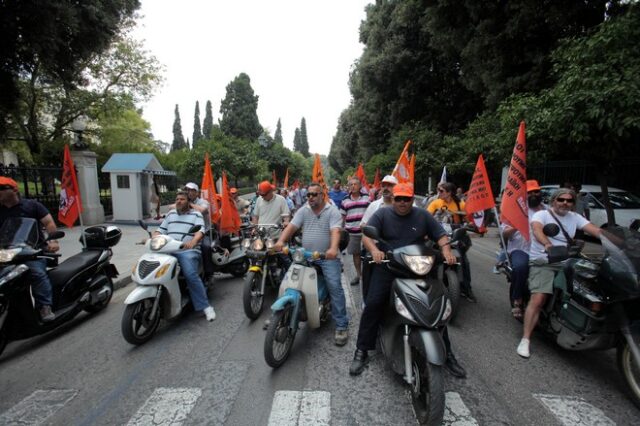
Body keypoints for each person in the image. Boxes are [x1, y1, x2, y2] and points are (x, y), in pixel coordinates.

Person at [349, 183, 466, 378]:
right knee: (374, 303)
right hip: (389, 266)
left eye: (407, 199)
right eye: (399, 199)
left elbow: (441, 235)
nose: (403, 202)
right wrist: (375, 251)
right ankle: (362, 350)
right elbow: (367, 236)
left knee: (435, 306)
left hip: (417, 268)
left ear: (413, 199)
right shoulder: (383, 214)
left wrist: (446, 252)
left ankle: (448, 355)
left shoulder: (422, 215)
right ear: (393, 199)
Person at [516, 188, 601, 358]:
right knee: (538, 298)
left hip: (567, 261)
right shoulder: (542, 215)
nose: (565, 203)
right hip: (544, 261)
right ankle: (525, 339)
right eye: (561, 199)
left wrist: (620, 242)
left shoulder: (575, 217)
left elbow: (597, 231)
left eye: (569, 201)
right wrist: (547, 245)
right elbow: (537, 229)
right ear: (554, 201)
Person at [274, 182, 350, 346]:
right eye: (308, 194)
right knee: (288, 279)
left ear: (322, 195)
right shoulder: (304, 210)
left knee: (334, 286)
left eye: (315, 194)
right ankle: (280, 315)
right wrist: (280, 241)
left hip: (326, 257)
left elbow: (335, 231)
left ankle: (342, 325)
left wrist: (332, 249)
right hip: (306, 256)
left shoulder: (332, 211)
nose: (311, 197)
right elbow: (292, 226)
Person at [0, 177, 59, 321]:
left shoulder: (32, 206)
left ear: (14, 190)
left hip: (31, 252)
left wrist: (53, 241)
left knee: (37, 273)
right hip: (5, 253)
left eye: (1, 189)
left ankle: (44, 307)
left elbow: (49, 223)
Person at [155, 189, 216, 321]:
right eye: (177, 199)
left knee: (190, 274)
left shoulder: (196, 215)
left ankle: (205, 306)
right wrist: (153, 238)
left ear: (188, 202)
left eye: (182, 199)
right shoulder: (170, 214)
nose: (178, 201)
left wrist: (193, 241)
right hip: (168, 249)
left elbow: (200, 231)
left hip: (186, 250)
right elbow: (160, 230)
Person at [500, 179, 545, 320]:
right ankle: (517, 300)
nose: (534, 195)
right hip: (521, 249)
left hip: (543, 250)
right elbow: (504, 233)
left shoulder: (547, 210)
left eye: (536, 191)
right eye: (530, 192)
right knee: (521, 267)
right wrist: (518, 225)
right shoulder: (514, 211)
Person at [427, 182, 476, 302]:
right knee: (428, 256)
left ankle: (466, 288)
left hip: (455, 237)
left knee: (464, 261)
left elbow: (470, 220)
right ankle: (427, 283)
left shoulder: (461, 205)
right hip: (437, 236)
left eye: (442, 191)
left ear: (449, 192)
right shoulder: (435, 203)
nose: (439, 193)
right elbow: (426, 216)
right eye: (439, 190)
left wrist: (471, 224)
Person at [359, 175, 397, 301]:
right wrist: (374, 249)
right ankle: (367, 300)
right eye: (384, 185)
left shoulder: (408, 205)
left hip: (402, 250)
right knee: (368, 265)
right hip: (377, 250)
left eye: (390, 185)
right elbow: (364, 226)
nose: (386, 188)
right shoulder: (374, 206)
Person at [340, 178, 370, 286]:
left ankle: (369, 275)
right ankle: (359, 275)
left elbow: (371, 213)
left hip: (366, 233)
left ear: (360, 186)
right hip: (352, 232)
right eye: (350, 184)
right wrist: (341, 230)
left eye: (355, 184)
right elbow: (342, 216)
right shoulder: (345, 200)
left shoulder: (367, 198)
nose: (353, 186)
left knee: (368, 255)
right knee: (356, 255)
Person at [184, 182, 215, 282]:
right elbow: (172, 207)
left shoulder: (203, 202)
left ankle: (209, 274)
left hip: (203, 232)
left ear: (197, 193)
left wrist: (190, 205)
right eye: (187, 190)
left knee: (206, 247)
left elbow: (203, 210)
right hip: (187, 233)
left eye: (191, 190)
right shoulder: (183, 202)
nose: (189, 192)